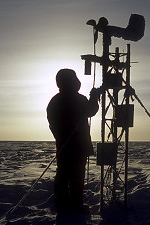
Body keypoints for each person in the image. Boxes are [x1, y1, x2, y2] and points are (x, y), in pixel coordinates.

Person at [47, 68, 100, 213]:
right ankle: (75, 204)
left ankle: (62, 203)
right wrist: (94, 98)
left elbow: (51, 122)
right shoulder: (77, 99)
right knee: (76, 174)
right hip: (76, 145)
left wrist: (60, 135)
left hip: (64, 145)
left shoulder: (55, 100)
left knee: (63, 173)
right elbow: (91, 111)